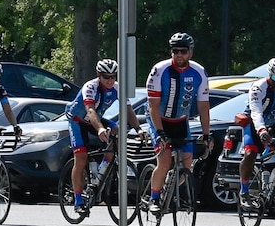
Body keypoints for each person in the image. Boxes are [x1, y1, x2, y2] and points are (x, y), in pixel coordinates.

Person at [144, 32, 211, 213]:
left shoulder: (199, 72)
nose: (179, 54)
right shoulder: (160, 70)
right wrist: (160, 132)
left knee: (187, 165)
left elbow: (204, 106)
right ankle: (154, 198)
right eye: (175, 51)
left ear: (190, 52)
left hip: (181, 121)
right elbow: (153, 106)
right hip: (158, 119)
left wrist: (206, 134)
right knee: (165, 162)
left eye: (183, 51)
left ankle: (168, 187)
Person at [66, 58, 141, 210]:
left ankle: (103, 169)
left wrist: (138, 129)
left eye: (113, 76)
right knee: (80, 158)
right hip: (78, 120)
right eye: (106, 77)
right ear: (98, 76)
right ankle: (78, 199)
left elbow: (129, 110)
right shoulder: (90, 87)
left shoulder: (118, 88)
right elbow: (91, 110)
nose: (110, 80)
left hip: (96, 119)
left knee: (117, 130)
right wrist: (100, 129)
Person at [240, 57, 275, 205]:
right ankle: (244, 190)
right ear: (269, 75)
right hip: (254, 122)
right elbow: (256, 112)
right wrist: (261, 130)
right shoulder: (258, 87)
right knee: (251, 153)